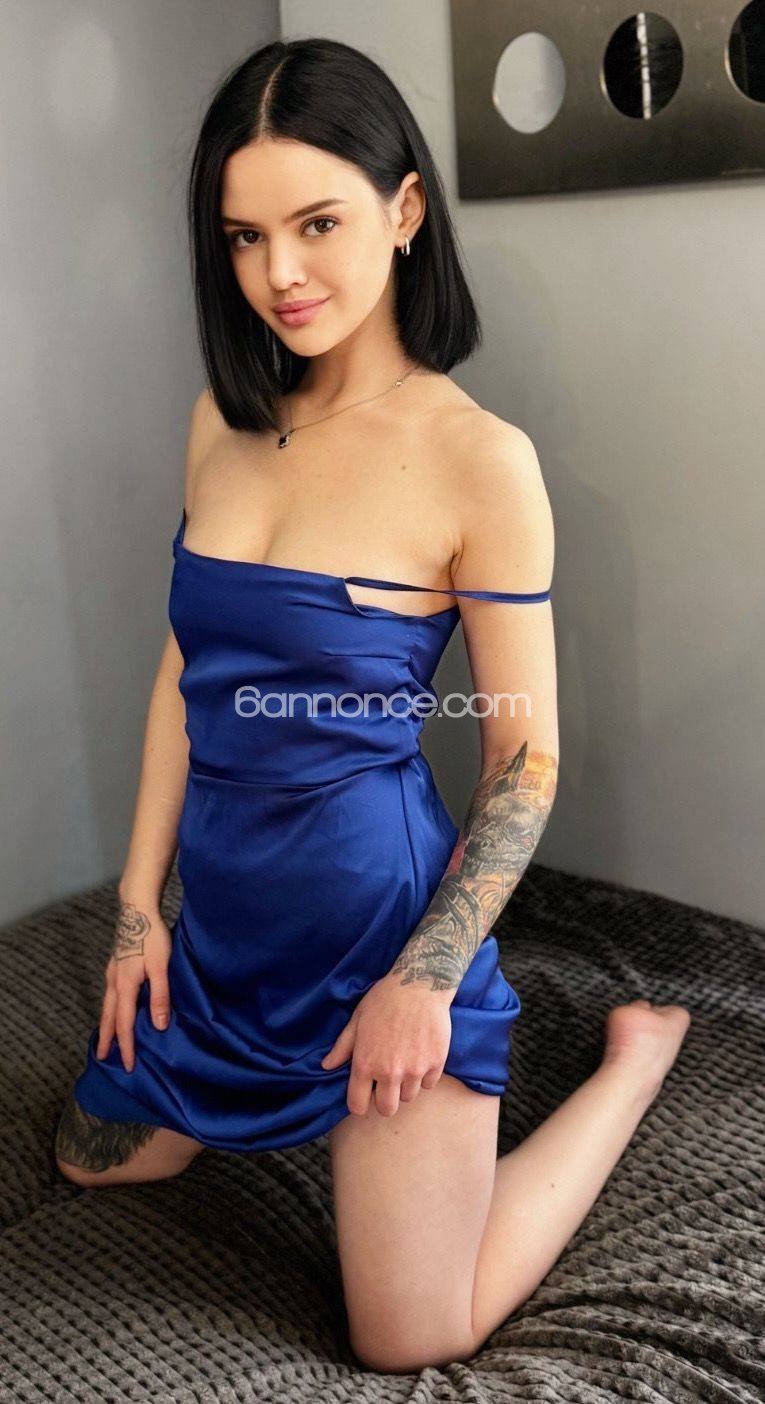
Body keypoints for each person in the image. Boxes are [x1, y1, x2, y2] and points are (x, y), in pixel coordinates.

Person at [54, 37, 690, 1375]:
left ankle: (632, 1062)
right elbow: (183, 672)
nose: (278, 274)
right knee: (90, 1158)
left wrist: (423, 976)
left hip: (372, 936)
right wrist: (137, 912)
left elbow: (522, 760)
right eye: (244, 237)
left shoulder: (478, 460)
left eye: (317, 224)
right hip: (223, 932)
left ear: (403, 212)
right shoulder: (221, 422)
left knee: (414, 1337)